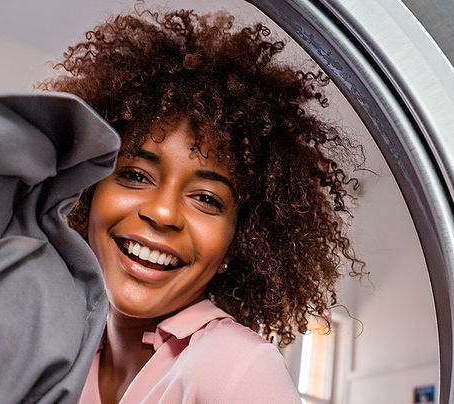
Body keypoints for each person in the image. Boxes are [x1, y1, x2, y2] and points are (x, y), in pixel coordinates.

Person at [41, 9, 365, 403]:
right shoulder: (57, 349)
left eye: (207, 199)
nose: (162, 213)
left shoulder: (238, 370)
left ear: (238, 242)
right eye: (136, 175)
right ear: (87, 193)